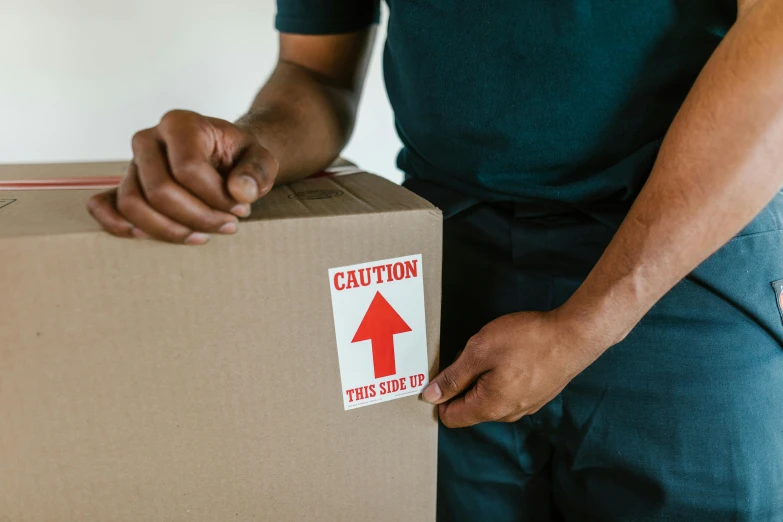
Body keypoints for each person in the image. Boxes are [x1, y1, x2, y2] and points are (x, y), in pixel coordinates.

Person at [88, 1, 783, 519]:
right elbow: (311, 70)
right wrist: (252, 142)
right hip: (446, 268)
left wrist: (588, 322)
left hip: (680, 270)